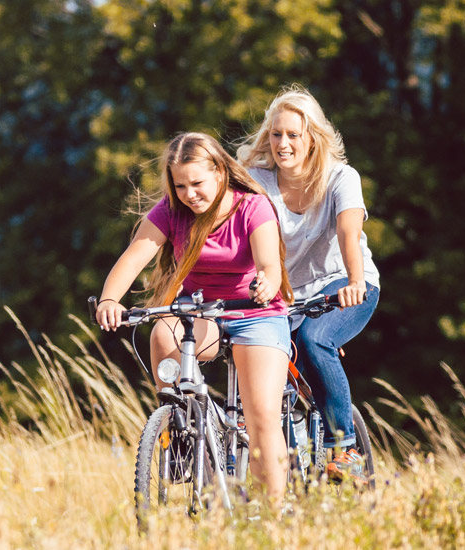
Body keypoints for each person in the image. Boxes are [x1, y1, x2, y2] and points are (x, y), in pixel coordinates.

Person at [92, 132, 294, 500]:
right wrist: (109, 299)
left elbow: (269, 264)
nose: (190, 194)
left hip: (255, 313)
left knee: (262, 414)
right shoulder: (170, 213)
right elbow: (134, 256)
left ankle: (274, 516)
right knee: (162, 335)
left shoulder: (252, 207)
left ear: (219, 172)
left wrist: (266, 282)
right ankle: (184, 433)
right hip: (203, 313)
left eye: (197, 183)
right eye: (180, 185)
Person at [237, 85, 381, 483]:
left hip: (344, 284)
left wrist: (354, 281)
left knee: (316, 340)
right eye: (276, 134)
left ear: (313, 138)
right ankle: (285, 464)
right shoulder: (256, 180)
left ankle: (344, 448)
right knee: (266, 362)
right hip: (284, 296)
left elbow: (349, 233)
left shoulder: (340, 177)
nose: (283, 144)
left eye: (293, 135)